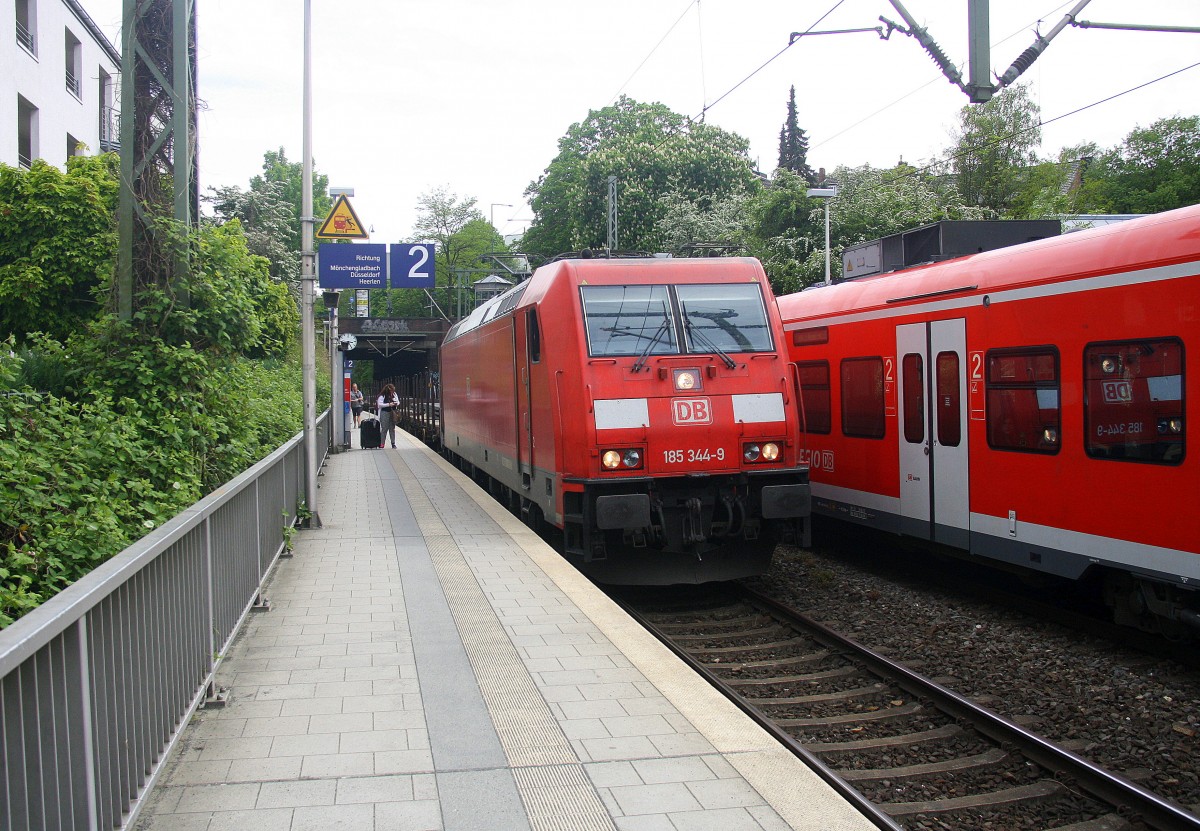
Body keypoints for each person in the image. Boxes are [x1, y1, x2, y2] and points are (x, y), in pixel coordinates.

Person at [377, 383, 399, 449]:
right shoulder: (382, 395)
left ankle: (393, 443)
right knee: (384, 428)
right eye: (392, 390)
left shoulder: (394, 394)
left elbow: (398, 401)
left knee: (392, 428)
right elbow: (380, 404)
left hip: (392, 413)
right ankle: (382, 443)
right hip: (384, 412)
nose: (393, 392)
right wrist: (388, 404)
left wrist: (396, 403)